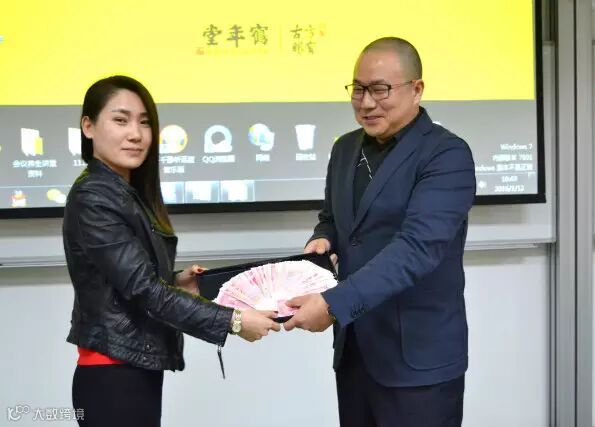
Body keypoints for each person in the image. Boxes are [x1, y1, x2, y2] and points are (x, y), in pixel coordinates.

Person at [63, 75, 280, 427]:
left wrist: (175, 282)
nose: (136, 134)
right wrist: (234, 321)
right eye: (120, 120)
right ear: (88, 126)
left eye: (144, 122)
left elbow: (129, 282)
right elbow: (145, 290)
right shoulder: (95, 197)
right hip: (112, 376)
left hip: (129, 369)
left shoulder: (123, 191)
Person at [284, 37, 476, 427]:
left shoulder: (447, 154)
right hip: (356, 352)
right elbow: (333, 218)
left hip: (418, 361)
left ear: (416, 89)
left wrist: (334, 304)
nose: (366, 103)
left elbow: (416, 249)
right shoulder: (344, 149)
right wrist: (323, 239)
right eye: (358, 89)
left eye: (380, 90)